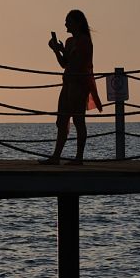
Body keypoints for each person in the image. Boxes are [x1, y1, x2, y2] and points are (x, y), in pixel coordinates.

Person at [40, 9, 103, 165]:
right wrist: (57, 51)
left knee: (78, 120)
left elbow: (78, 63)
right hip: (68, 83)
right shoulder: (69, 42)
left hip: (79, 85)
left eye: (68, 21)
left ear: (77, 23)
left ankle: (78, 158)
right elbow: (64, 64)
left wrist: (62, 50)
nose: (66, 25)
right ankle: (56, 156)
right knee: (61, 120)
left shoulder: (85, 41)